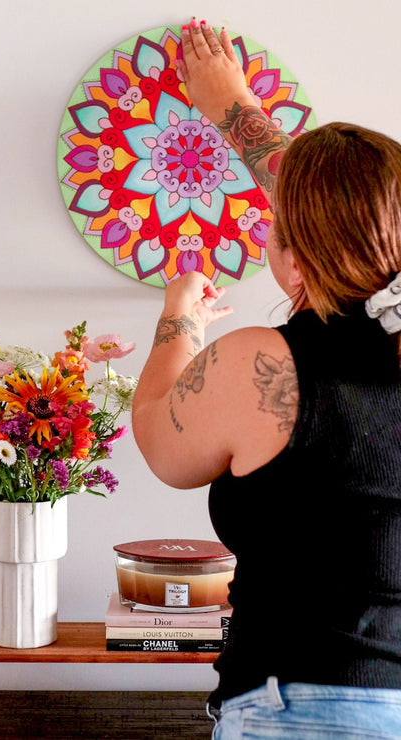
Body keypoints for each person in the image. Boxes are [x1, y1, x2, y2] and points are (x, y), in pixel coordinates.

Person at [131, 19, 401, 740]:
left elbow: (159, 436)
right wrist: (234, 108)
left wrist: (180, 316)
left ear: (293, 256)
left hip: (302, 714)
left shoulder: (268, 366)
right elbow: (347, 214)